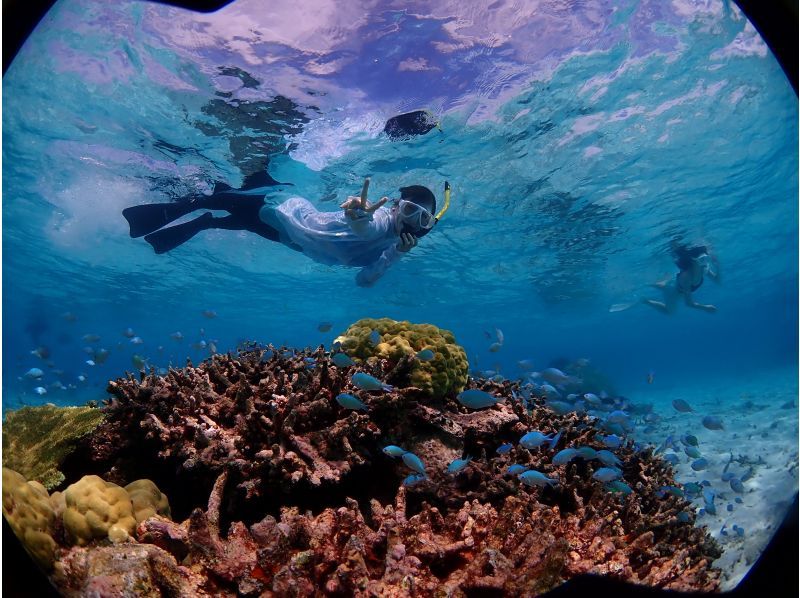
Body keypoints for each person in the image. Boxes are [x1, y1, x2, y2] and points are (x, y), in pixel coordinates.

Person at [122, 176, 449, 287]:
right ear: (394, 207)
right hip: (283, 209)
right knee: (218, 197)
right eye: (409, 211)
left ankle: (207, 220)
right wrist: (358, 215)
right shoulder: (380, 221)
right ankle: (189, 203)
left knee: (233, 217)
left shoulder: (392, 249)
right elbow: (365, 228)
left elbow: (362, 282)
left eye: (422, 220)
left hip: (287, 237)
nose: (410, 223)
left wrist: (393, 256)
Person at [642, 243, 721, 314]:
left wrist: (717, 267)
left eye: (706, 258)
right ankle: (645, 301)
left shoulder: (703, 268)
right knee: (669, 311)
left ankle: (651, 284)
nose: (705, 262)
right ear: (693, 261)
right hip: (673, 291)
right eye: (702, 260)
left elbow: (717, 280)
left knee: (662, 286)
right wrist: (705, 308)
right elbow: (689, 303)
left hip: (678, 286)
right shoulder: (687, 277)